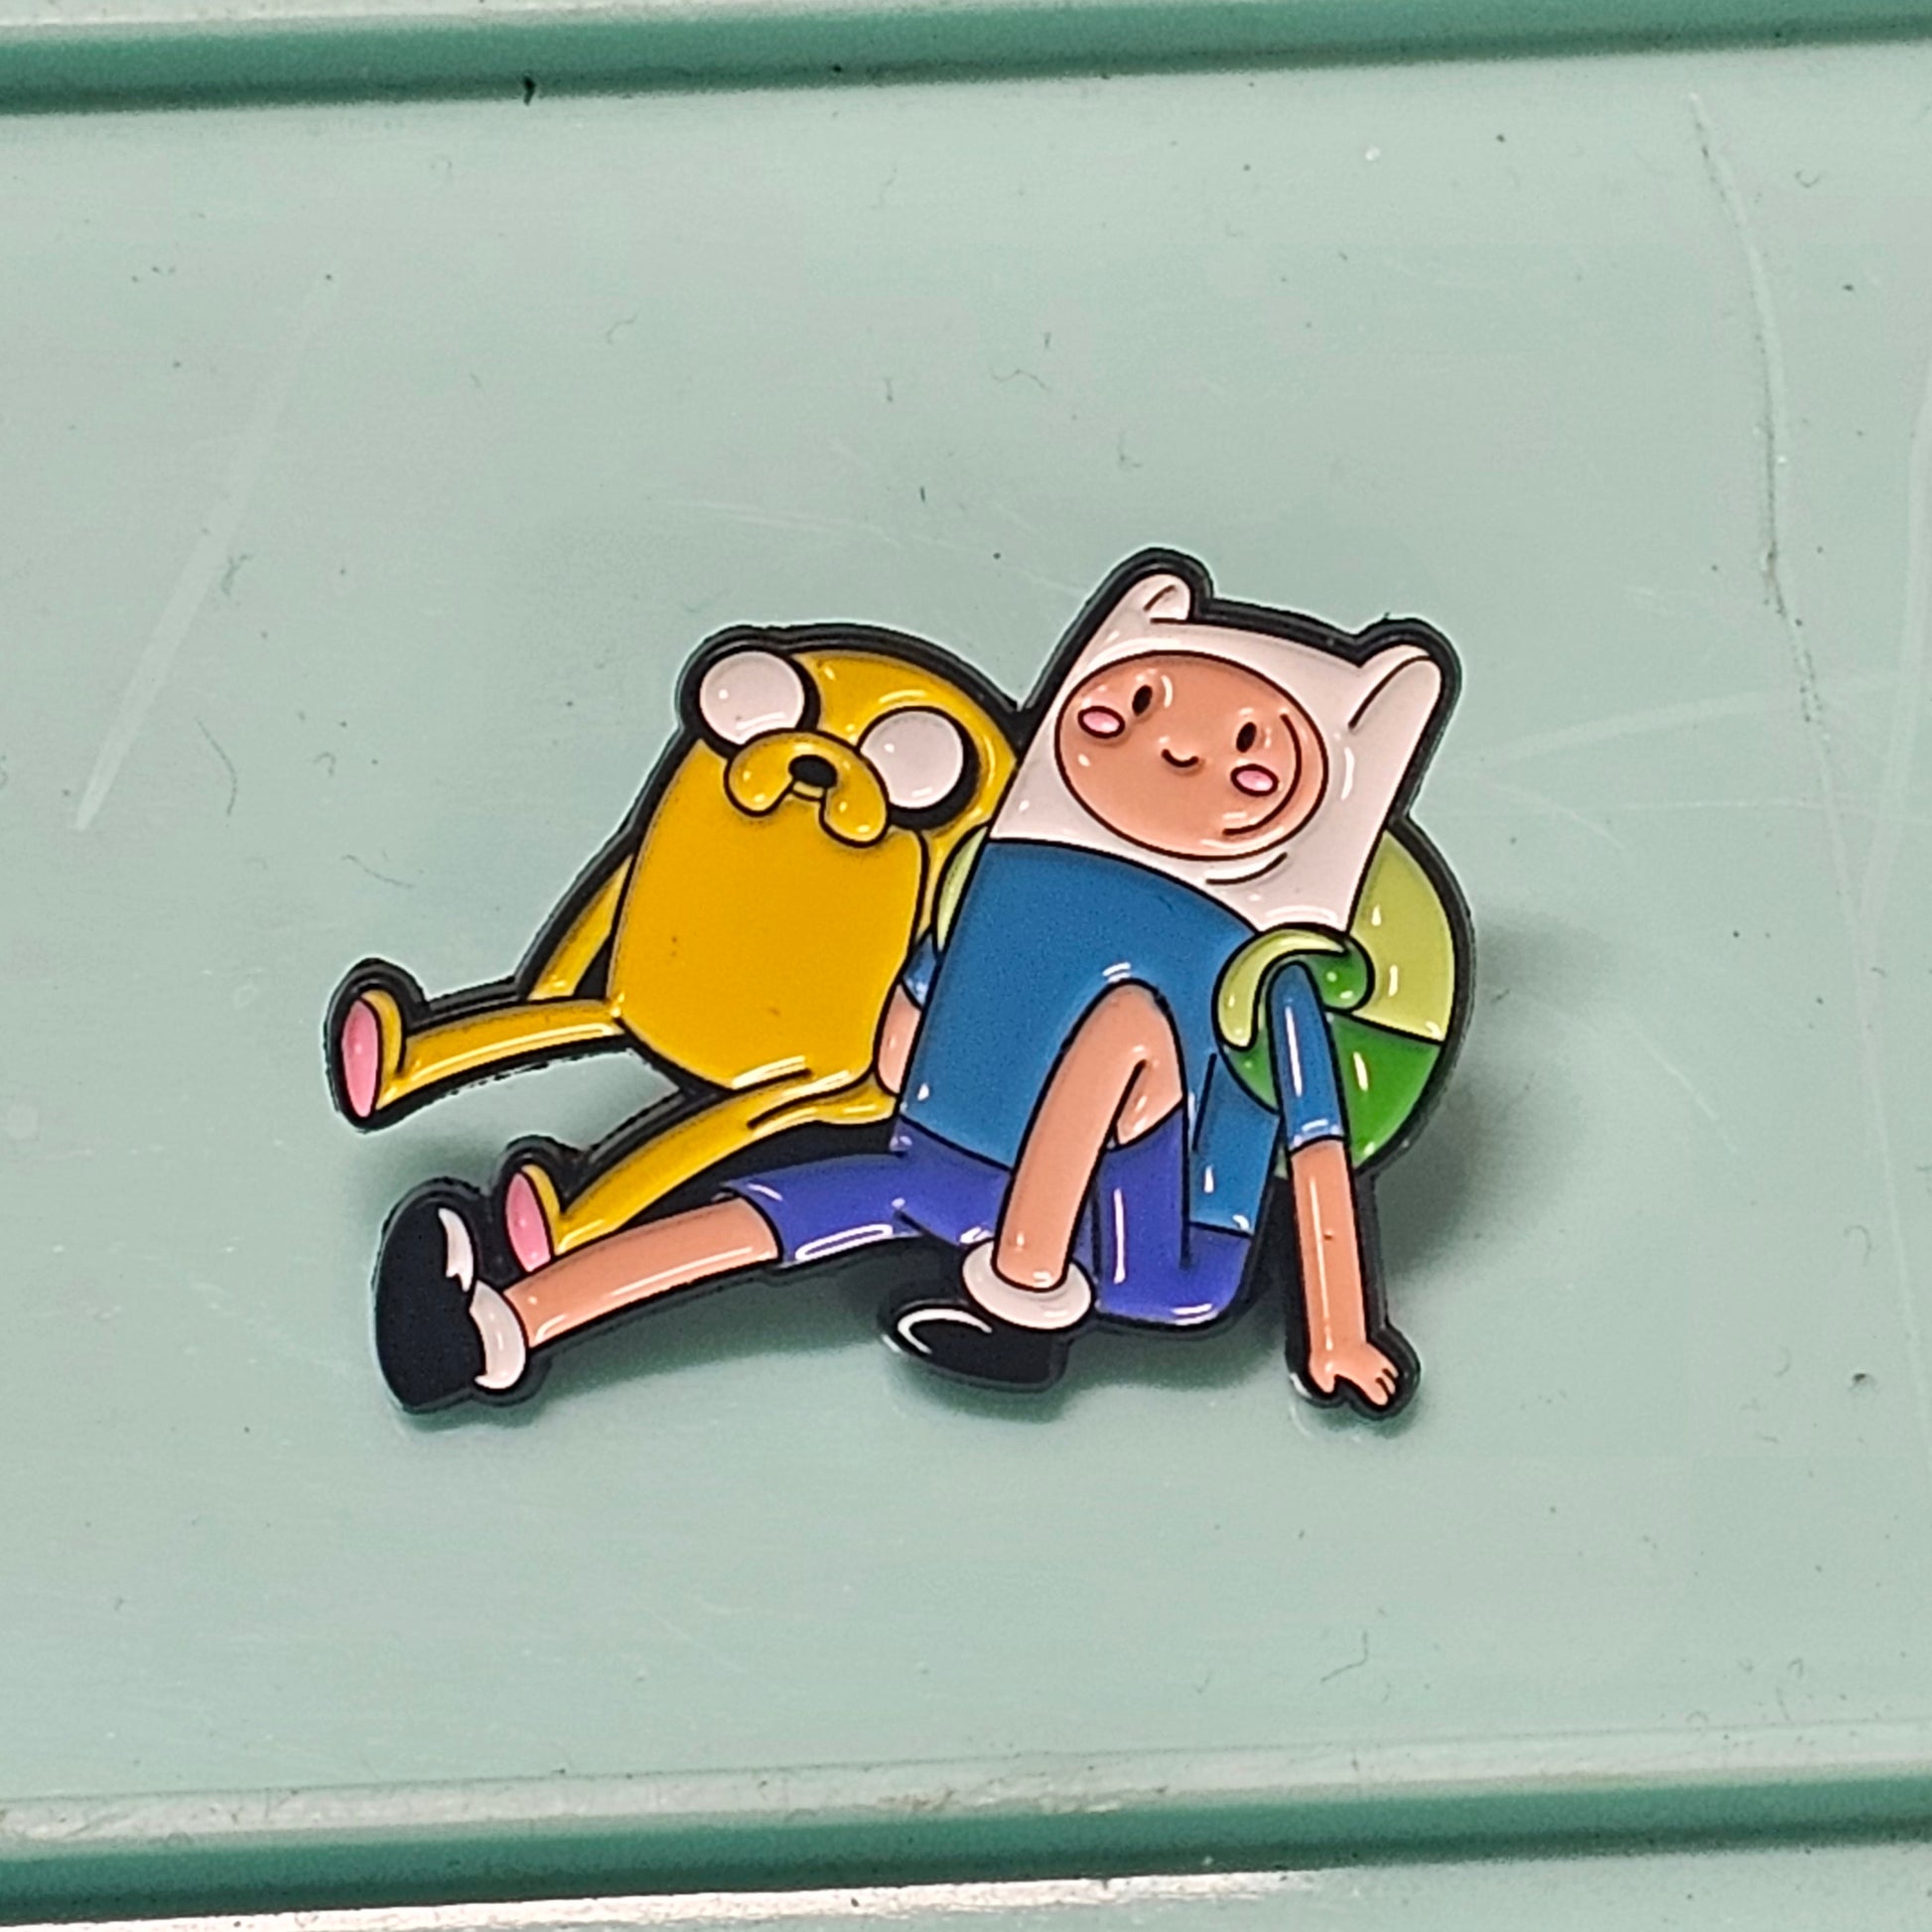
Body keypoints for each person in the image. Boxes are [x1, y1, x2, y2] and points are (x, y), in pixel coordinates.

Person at [372, 555, 1454, 1412]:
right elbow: (912, 1031)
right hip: (944, 1162)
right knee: (753, 1216)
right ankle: (503, 1326)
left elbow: (1316, 1146)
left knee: (1131, 1019)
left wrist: (1338, 1331)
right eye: (1135, 707)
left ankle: (1023, 1294)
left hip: (1147, 1241)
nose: (1175, 751)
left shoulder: (1268, 964)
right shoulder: (1001, 872)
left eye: (1247, 752)